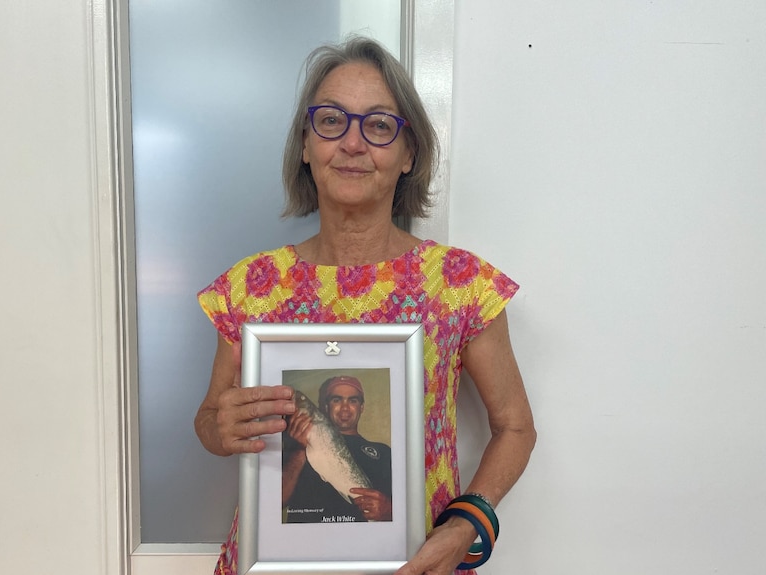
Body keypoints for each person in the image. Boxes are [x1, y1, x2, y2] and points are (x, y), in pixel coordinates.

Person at [194, 36, 536, 575]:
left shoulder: (459, 284)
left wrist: (467, 526)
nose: (352, 144)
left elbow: (515, 426)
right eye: (331, 120)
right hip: (273, 562)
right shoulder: (251, 286)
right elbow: (210, 419)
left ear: (409, 154)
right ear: (306, 145)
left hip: (416, 561)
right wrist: (221, 426)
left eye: (378, 126)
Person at [282, 375, 393, 523]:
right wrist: (299, 449)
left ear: (362, 407)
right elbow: (277, 501)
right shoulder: (292, 445)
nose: (345, 407)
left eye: (352, 400)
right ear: (326, 407)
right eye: (337, 399)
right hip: (307, 541)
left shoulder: (383, 452)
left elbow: (412, 507)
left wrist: (390, 511)